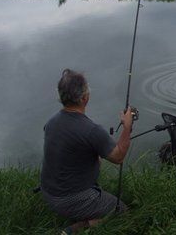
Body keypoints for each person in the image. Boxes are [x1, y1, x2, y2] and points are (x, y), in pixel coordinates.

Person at [40, 69, 134, 234]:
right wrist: (127, 126)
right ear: (85, 98)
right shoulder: (92, 130)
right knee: (122, 211)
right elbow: (118, 157)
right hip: (68, 199)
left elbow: (70, 149)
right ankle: (74, 229)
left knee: (96, 160)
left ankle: (81, 213)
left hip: (48, 193)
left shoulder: (51, 122)